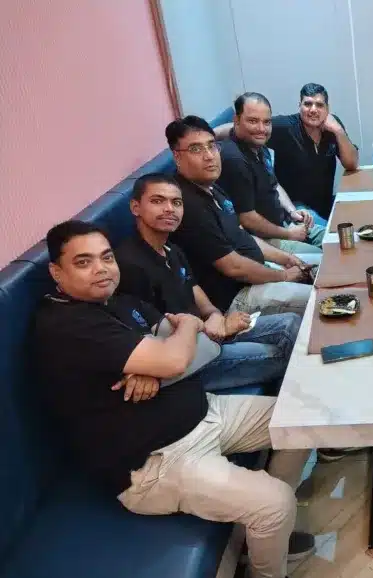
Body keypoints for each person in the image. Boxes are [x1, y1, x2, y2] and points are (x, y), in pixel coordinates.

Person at [35, 220, 318, 578]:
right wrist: (180, 336)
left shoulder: (119, 302)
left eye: (106, 257)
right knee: (274, 503)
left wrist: (161, 359)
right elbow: (178, 351)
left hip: (206, 413)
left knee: (301, 421)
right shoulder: (66, 325)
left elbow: (207, 347)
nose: (101, 269)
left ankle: (266, 533)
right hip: (156, 461)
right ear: (57, 272)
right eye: (83, 262)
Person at [115, 173, 301, 393]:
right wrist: (213, 329)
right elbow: (155, 338)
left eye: (176, 203)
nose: (169, 209)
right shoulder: (129, 265)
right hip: (191, 358)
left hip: (207, 335)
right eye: (158, 201)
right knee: (284, 354)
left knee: (290, 323)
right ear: (135, 207)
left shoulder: (173, 251)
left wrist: (216, 317)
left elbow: (198, 295)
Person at [165, 116, 317, 318]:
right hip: (237, 297)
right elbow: (233, 267)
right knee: (320, 298)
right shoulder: (187, 205)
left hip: (258, 273)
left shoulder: (211, 187)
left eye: (211, 146)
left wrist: (287, 259)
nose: (209, 156)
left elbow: (242, 235)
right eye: (196, 149)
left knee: (324, 268)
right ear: (177, 156)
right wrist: (283, 275)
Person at [218, 92, 326, 255]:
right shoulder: (234, 160)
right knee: (323, 259)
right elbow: (247, 218)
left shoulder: (259, 146)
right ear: (236, 120)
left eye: (266, 122)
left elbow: (274, 184)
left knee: (336, 238)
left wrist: (292, 211)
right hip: (264, 239)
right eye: (253, 121)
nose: (262, 129)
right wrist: (289, 234)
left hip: (284, 223)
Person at [268, 83, 359, 222]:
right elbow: (242, 130)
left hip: (325, 205)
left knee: (360, 218)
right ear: (300, 106)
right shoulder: (284, 127)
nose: (313, 110)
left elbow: (351, 164)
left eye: (319, 105)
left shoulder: (332, 126)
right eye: (308, 104)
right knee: (334, 232)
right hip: (295, 208)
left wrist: (338, 131)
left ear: (327, 109)